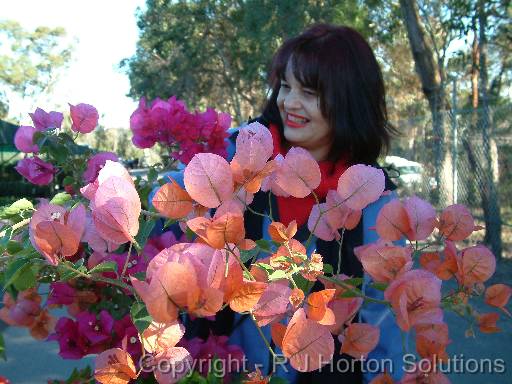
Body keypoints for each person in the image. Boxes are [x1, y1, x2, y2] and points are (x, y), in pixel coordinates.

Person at [161, 24, 405, 384]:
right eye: (286, 86)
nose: (289, 103)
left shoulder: (375, 203)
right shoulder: (240, 156)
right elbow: (167, 200)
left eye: (309, 92)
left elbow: (381, 324)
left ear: (349, 100)